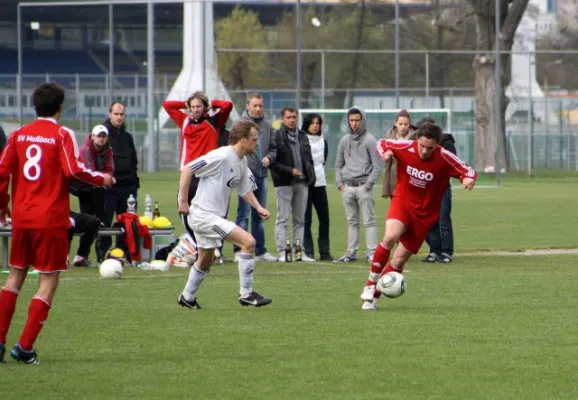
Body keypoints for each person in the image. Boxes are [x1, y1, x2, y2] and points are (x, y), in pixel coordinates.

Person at [0, 83, 113, 364]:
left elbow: (2, 172)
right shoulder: (62, 134)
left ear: (34, 107)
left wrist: (3, 209)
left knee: (15, 275)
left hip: (22, 219)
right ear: (60, 108)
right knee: (49, 278)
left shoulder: (18, 135)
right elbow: (73, 170)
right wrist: (103, 179)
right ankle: (24, 347)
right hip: (50, 219)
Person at [359, 122, 477, 310]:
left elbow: (467, 169)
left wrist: (468, 179)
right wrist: (385, 154)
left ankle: (374, 297)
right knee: (390, 236)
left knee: (398, 261)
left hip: (425, 216)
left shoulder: (444, 157)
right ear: (417, 141)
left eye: (429, 148)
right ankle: (370, 284)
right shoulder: (406, 146)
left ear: (436, 144)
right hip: (403, 202)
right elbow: (382, 142)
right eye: (421, 145)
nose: (423, 151)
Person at [176, 120, 272, 309]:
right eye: (253, 139)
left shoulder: (242, 161)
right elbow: (188, 169)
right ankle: (246, 293)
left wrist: (259, 207)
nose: (256, 143)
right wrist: (182, 201)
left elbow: (244, 189)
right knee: (249, 242)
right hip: (203, 215)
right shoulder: (221, 156)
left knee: (205, 260)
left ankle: (187, 297)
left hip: (213, 217)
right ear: (242, 139)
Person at [162, 92, 233, 240]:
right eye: (193, 106)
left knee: (208, 213)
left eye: (199, 106)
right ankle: (196, 243)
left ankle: (213, 248)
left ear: (205, 107)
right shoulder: (184, 121)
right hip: (189, 174)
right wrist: (185, 104)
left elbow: (228, 105)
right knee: (184, 209)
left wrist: (211, 103)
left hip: (207, 174)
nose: (195, 109)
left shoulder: (214, 121)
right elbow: (167, 105)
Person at [233, 93, 277, 262]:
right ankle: (239, 249)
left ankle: (260, 250)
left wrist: (269, 158)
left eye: (260, 105)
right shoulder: (239, 125)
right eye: (255, 105)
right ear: (248, 106)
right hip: (245, 174)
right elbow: (234, 147)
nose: (258, 109)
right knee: (243, 214)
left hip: (262, 175)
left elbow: (273, 148)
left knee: (260, 213)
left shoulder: (267, 126)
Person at [335, 106, 382, 263]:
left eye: (357, 120)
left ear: (362, 120)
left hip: (364, 186)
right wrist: (340, 184)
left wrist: (368, 185)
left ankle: (372, 252)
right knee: (352, 221)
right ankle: (351, 252)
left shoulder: (370, 139)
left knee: (369, 220)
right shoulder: (344, 140)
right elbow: (338, 164)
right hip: (347, 187)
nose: (354, 123)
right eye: (351, 120)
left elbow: (377, 165)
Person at [270, 107, 316, 262]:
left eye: (294, 117)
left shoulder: (303, 136)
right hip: (284, 183)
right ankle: (283, 252)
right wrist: (290, 171)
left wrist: (310, 176)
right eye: (288, 117)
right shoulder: (276, 136)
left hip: (302, 183)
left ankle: (299, 252)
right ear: (282, 118)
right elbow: (273, 162)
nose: (291, 120)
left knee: (300, 220)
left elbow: (309, 158)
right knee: (282, 218)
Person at [100, 101, 139, 258]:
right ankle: (103, 253)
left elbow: (133, 160)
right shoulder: (103, 135)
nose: (119, 117)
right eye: (116, 114)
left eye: (121, 114)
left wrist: (134, 183)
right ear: (110, 114)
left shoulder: (127, 137)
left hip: (128, 187)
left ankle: (123, 252)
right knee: (105, 221)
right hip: (110, 188)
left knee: (127, 222)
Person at [70, 124, 114, 264]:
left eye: (103, 136)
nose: (101, 139)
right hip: (83, 187)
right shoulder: (86, 149)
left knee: (96, 221)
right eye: (99, 136)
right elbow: (89, 171)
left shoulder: (108, 150)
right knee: (89, 219)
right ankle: (81, 255)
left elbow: (110, 167)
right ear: (93, 136)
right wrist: (105, 178)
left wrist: (107, 176)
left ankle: (84, 255)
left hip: (97, 187)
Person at [417, 118, 458, 264]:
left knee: (443, 220)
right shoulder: (418, 146)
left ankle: (447, 252)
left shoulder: (446, 144)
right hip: (424, 189)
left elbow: (452, 164)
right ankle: (434, 251)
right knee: (429, 221)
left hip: (441, 189)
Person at [301, 113, 334, 261]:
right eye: (312, 123)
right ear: (307, 124)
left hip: (320, 184)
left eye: (317, 123)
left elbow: (323, 161)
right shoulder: (301, 140)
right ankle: (308, 251)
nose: (315, 125)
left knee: (324, 219)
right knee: (306, 220)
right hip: (305, 184)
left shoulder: (323, 142)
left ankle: (325, 252)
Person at [382, 109, 417, 199]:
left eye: (406, 124)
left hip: (412, 182)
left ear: (409, 124)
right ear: (395, 123)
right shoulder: (389, 137)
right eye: (400, 124)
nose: (403, 127)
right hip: (395, 182)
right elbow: (387, 164)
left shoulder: (416, 137)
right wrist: (386, 190)